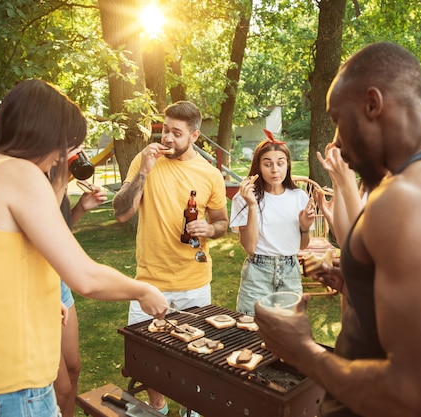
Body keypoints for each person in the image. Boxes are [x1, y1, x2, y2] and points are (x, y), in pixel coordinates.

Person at [254, 42, 421, 417]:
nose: (339, 145)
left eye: (339, 120)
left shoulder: (405, 200)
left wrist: (303, 352)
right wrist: (365, 283)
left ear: (373, 104)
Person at [0, 79, 168, 417]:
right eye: (68, 144)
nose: (66, 155)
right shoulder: (17, 173)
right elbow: (84, 277)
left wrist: (36, 300)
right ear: (49, 135)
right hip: (10, 389)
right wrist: (142, 290)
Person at [113, 100, 228, 417]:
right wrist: (144, 172)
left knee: (197, 357)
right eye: (165, 130)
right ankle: (158, 406)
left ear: (194, 135)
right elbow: (122, 212)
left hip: (194, 284)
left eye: (176, 133)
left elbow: (222, 222)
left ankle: (190, 410)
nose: (167, 138)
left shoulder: (210, 175)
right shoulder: (145, 160)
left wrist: (211, 227)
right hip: (149, 283)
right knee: (147, 360)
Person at [229, 131, 316, 315]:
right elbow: (250, 247)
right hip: (257, 272)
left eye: (280, 163)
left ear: (288, 165)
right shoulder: (243, 198)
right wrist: (252, 205)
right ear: (258, 167)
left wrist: (305, 228)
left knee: (289, 332)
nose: (275, 169)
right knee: (250, 331)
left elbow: (302, 245)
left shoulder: (299, 197)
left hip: (291, 271)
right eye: (268, 164)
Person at [52, 156, 108, 417]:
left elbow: (57, 232)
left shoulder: (59, 181)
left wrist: (81, 208)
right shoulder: (37, 180)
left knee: (74, 367)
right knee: (60, 386)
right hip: (40, 285)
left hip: (59, 281)